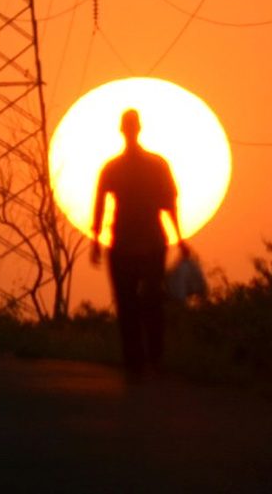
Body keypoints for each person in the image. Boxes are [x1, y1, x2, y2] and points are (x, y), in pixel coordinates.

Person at [91, 109, 188, 379]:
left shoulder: (121, 167)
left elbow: (169, 203)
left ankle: (141, 361)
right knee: (145, 302)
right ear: (136, 129)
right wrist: (179, 239)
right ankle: (145, 361)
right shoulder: (151, 165)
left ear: (124, 130)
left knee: (137, 303)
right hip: (136, 243)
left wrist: (96, 242)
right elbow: (169, 204)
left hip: (134, 244)